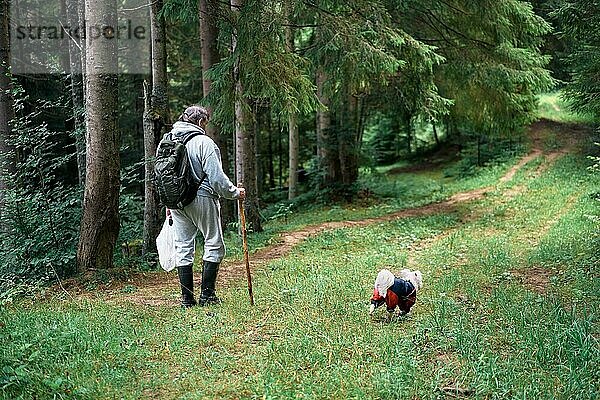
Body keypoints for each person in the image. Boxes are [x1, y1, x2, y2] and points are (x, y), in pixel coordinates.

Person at [165, 105, 245, 307]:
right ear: (200, 122)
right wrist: (235, 192)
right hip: (201, 197)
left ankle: (187, 299)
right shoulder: (203, 142)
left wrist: (168, 202)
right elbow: (217, 179)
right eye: (206, 123)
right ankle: (207, 296)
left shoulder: (169, 139)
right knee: (213, 242)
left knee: (183, 246)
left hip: (176, 201)